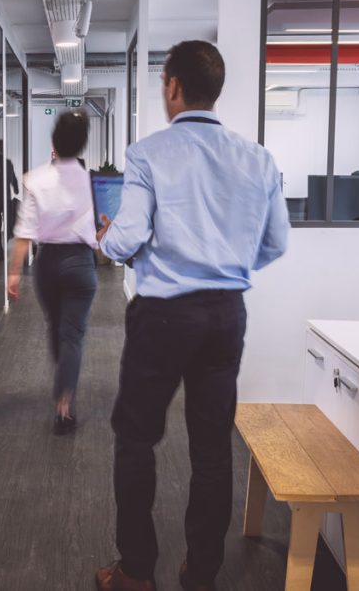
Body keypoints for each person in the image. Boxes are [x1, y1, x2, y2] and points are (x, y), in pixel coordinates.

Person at [94, 41, 289, 591]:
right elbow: (275, 243)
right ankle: (200, 572)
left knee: (136, 439)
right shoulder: (257, 158)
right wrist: (223, 261)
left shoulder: (150, 153)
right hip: (227, 314)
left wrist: (107, 244)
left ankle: (135, 572)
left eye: (164, 85)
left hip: (163, 316)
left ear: (174, 86)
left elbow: (128, 235)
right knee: (211, 448)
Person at [8, 112, 98, 435]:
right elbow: (100, 227)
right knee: (72, 333)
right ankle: (64, 403)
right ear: (82, 145)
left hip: (47, 264)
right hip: (81, 262)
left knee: (55, 327)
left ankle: (62, 386)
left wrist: (14, 273)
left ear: (53, 144)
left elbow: (25, 232)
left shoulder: (34, 179)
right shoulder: (91, 182)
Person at [0, 140, 20, 261]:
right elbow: (13, 178)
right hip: (5, 199)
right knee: (9, 224)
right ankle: (7, 245)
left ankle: (0, 253)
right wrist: (17, 189)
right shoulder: (7, 162)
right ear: (3, 149)